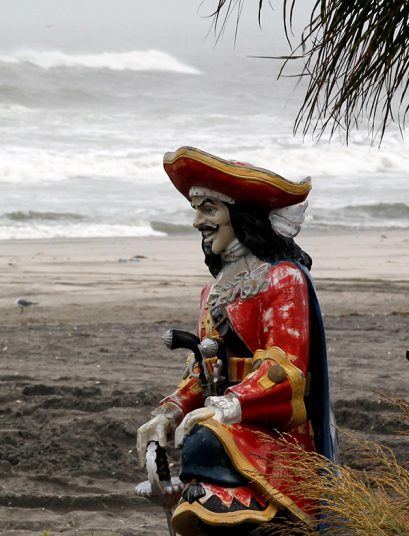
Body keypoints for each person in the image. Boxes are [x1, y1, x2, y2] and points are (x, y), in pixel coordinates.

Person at [136, 147, 337, 535]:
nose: (198, 221)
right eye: (197, 210)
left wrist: (229, 406)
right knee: (189, 440)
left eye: (209, 209)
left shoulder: (281, 280)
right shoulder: (212, 292)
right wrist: (169, 412)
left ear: (240, 215)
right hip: (225, 422)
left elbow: (285, 371)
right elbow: (203, 371)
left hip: (270, 431)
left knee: (204, 442)